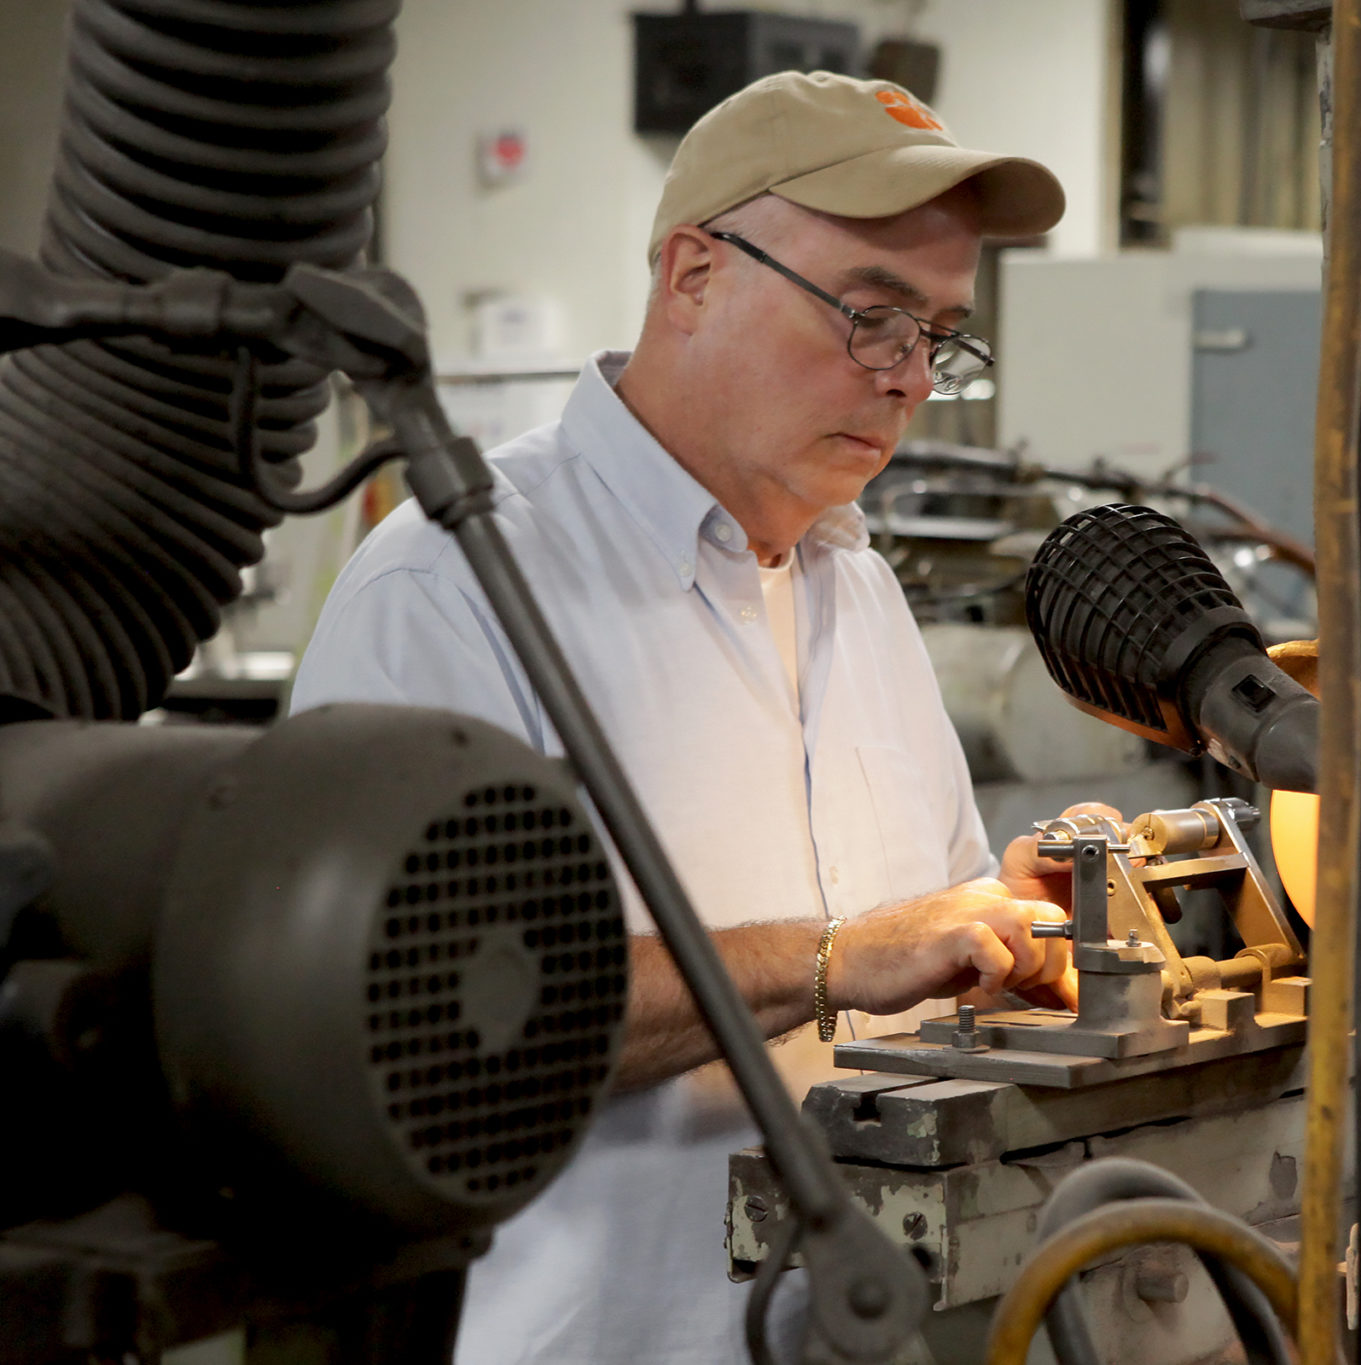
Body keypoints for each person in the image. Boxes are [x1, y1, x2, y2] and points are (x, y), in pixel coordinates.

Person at [290, 71, 1091, 1363]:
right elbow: (422, 1020)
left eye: (940, 334)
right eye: (871, 315)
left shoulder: (861, 593)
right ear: (694, 274)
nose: (906, 378)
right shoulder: (459, 584)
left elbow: (908, 946)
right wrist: (834, 955)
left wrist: (1003, 930)